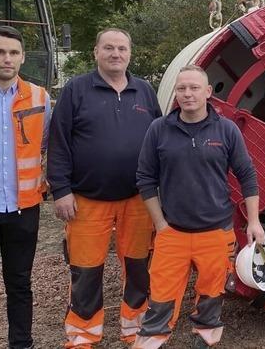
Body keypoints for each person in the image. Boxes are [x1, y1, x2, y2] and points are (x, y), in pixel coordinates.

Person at [133, 65, 265, 348]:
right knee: (160, 301)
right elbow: (145, 178)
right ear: (176, 94)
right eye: (182, 89)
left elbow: (247, 175)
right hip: (173, 234)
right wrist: (160, 225)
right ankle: (150, 342)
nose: (187, 94)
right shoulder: (159, 129)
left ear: (208, 92)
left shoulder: (226, 130)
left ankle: (205, 341)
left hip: (216, 234)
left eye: (194, 88)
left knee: (210, 300)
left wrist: (254, 221)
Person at [47, 28, 161, 347]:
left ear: (130, 53)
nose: (115, 54)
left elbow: (159, 142)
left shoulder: (145, 91)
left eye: (121, 48)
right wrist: (61, 190)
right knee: (85, 270)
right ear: (96, 52)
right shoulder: (76, 90)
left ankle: (136, 330)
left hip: (138, 198)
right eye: (108, 48)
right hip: (86, 199)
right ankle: (83, 335)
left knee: (139, 267)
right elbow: (58, 142)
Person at [0, 26, 50, 349]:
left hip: (23, 209)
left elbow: (47, 146)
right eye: (0, 51)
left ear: (22, 58)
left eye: (14, 53)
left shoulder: (40, 98)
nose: (7, 58)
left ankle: (22, 343)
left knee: (20, 283)